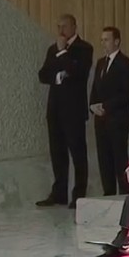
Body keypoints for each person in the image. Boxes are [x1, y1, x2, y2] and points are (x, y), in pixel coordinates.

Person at [36, 14, 94, 209]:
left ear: (74, 27)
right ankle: (59, 192)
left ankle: (79, 194)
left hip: (74, 110)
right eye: (58, 26)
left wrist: (62, 54)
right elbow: (43, 74)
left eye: (64, 26)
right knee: (57, 152)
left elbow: (78, 73)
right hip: (55, 108)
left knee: (78, 153)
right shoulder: (52, 49)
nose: (61, 30)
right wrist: (59, 75)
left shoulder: (84, 48)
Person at [89, 26, 129, 196]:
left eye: (107, 40)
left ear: (116, 41)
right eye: (102, 40)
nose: (104, 43)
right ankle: (108, 193)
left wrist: (106, 106)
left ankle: (125, 194)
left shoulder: (126, 64)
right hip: (101, 120)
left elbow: (125, 93)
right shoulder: (101, 63)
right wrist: (93, 105)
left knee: (119, 159)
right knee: (104, 159)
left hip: (117, 119)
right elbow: (95, 88)